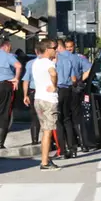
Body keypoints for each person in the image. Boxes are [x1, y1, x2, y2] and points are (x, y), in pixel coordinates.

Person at [32, 38, 60, 170]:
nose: (56, 50)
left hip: (38, 98)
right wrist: (54, 85)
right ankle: (44, 162)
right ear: (47, 49)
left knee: (45, 129)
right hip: (49, 99)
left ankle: (46, 158)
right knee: (48, 131)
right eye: (54, 48)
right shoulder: (49, 63)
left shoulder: (36, 62)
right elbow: (53, 73)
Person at [54, 39, 79, 158]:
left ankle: (62, 150)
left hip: (57, 90)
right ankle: (73, 148)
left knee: (58, 121)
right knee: (67, 119)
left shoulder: (54, 60)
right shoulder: (68, 60)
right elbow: (74, 79)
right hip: (67, 90)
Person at [66, 39, 92, 152]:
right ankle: (78, 143)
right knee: (71, 117)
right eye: (66, 47)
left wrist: (81, 80)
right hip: (68, 88)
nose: (68, 49)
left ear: (74, 47)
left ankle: (80, 143)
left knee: (74, 116)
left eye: (70, 47)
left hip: (74, 88)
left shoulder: (79, 58)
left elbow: (89, 69)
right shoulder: (76, 57)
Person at [22, 50, 41, 145]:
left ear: (36, 51)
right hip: (46, 92)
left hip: (34, 92)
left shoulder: (30, 63)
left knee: (34, 117)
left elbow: (26, 80)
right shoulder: (50, 62)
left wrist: (25, 95)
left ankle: (34, 140)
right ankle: (51, 140)